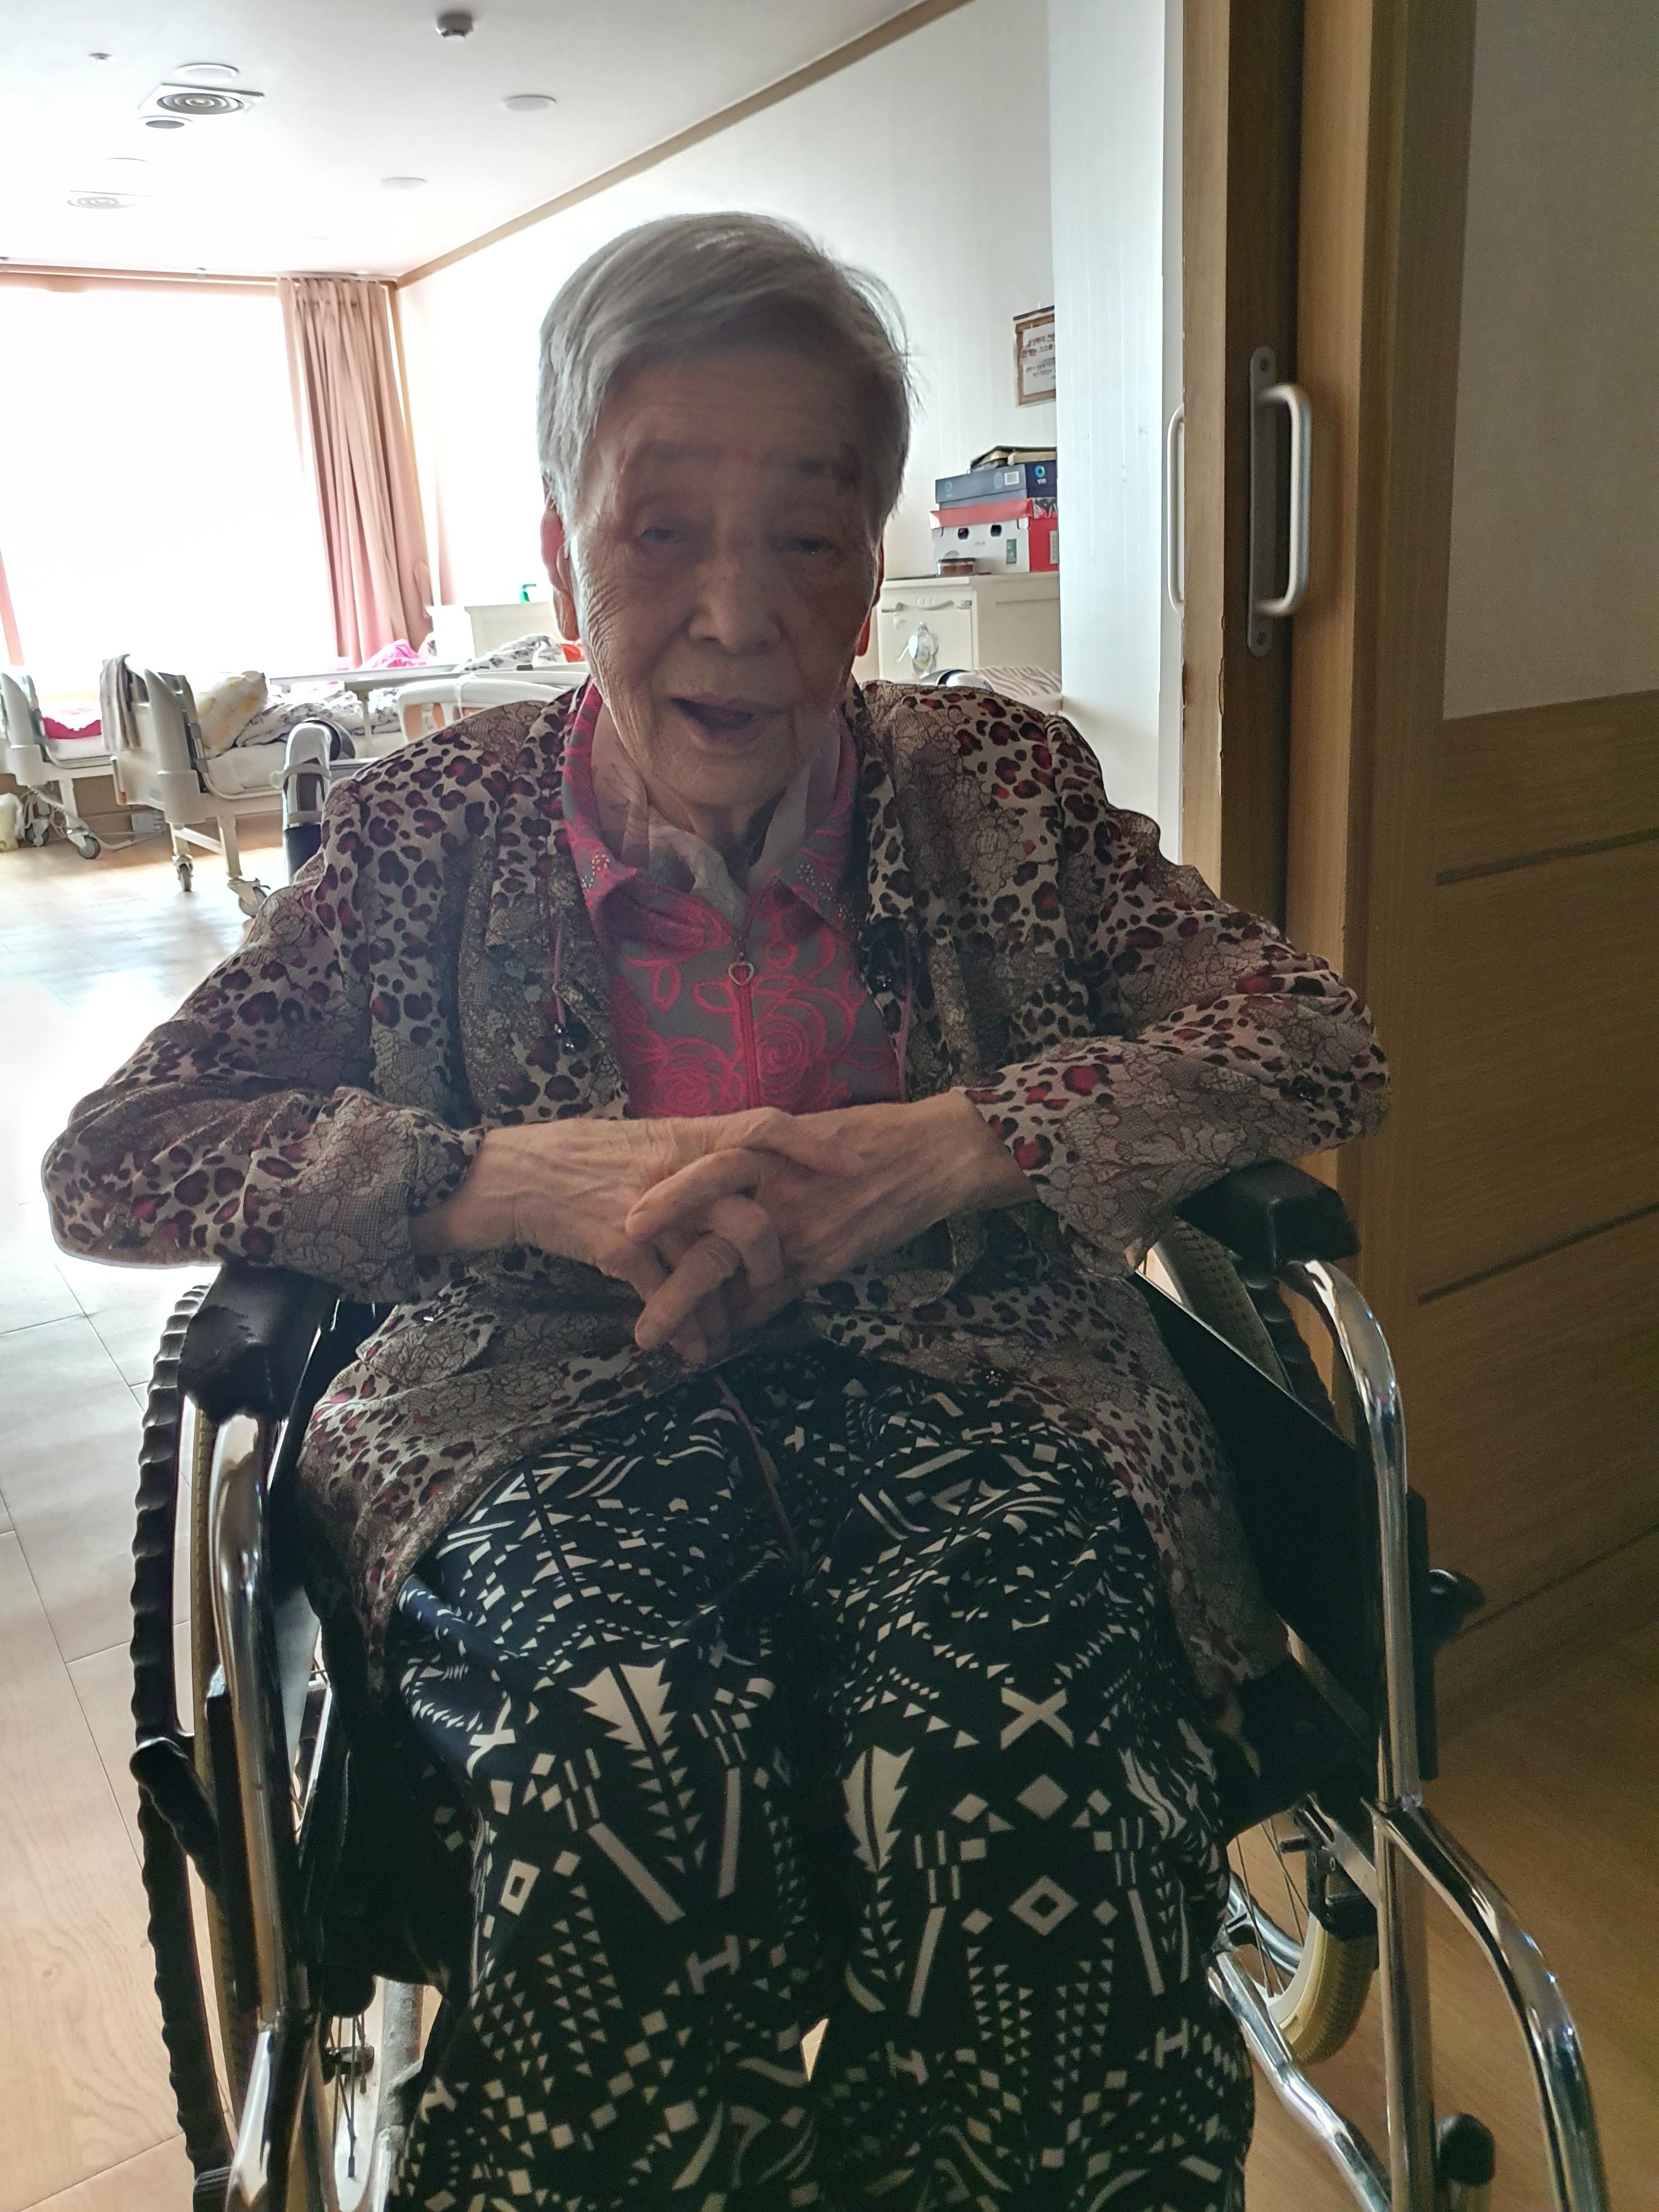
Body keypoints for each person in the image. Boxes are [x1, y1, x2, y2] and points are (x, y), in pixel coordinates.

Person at [44, 213, 1386, 2210]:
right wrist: (489, 1176)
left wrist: (961, 1141)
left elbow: (1313, 1038)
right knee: (613, 1781)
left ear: (874, 562)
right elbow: (120, 1149)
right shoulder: (428, 828)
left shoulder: (1001, 786)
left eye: (809, 533)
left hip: (991, 1389)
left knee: (1026, 1786)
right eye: (661, 529)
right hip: (529, 1414)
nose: (739, 614)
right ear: (561, 536)